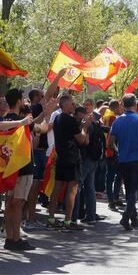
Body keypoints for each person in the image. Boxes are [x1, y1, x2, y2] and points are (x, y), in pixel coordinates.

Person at [3, 87, 56, 251]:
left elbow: (35, 123)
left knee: (10, 203)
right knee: (18, 204)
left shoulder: (7, 121)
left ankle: (10, 237)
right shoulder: (22, 122)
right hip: (24, 168)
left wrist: (45, 112)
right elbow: (43, 128)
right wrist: (47, 114)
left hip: (8, 168)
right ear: (19, 101)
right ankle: (16, 239)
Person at [109, 93, 138, 230]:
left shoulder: (117, 121)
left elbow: (110, 142)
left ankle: (134, 220)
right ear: (135, 105)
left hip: (123, 159)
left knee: (129, 189)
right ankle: (126, 217)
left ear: (123, 105)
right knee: (133, 190)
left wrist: (118, 151)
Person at [47, 94, 93, 231]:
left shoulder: (58, 119)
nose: (74, 106)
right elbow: (82, 140)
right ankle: (68, 221)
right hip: (72, 158)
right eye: (72, 104)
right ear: (65, 105)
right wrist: (85, 127)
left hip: (61, 157)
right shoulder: (70, 120)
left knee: (57, 188)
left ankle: (51, 218)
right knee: (72, 191)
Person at [71, 100, 105, 225]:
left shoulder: (86, 125)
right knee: (90, 187)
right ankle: (90, 216)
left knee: (77, 187)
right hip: (94, 158)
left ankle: (74, 217)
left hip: (86, 159)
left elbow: (84, 142)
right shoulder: (94, 124)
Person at [23, 89, 49, 230]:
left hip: (39, 153)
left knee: (34, 187)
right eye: (41, 96)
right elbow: (36, 127)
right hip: (36, 152)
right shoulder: (35, 108)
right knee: (31, 188)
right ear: (35, 98)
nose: (44, 98)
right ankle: (27, 219)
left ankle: (30, 218)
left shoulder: (37, 109)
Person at [104, 99, 123, 210]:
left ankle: (114, 198)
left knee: (114, 175)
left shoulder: (107, 115)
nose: (121, 110)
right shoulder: (112, 117)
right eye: (120, 107)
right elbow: (113, 134)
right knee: (112, 176)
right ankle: (111, 199)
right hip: (112, 150)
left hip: (110, 149)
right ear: (116, 107)